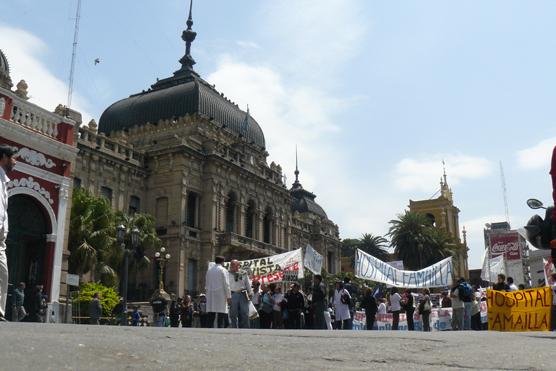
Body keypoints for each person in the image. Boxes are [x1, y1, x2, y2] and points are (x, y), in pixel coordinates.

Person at [0, 145, 16, 322]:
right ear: (4, 157)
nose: (15, 161)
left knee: (3, 274)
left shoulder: (4, 180)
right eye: (13, 157)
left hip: (1, 237)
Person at [205, 256, 231, 328]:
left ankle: (209, 328)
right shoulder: (223, 270)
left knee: (211, 313)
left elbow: (206, 283)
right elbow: (226, 284)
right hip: (220, 294)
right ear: (222, 262)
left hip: (210, 294)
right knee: (221, 314)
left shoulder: (209, 270)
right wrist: (229, 296)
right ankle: (220, 328)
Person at [228, 259, 252, 329]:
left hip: (243, 294)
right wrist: (227, 296)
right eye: (231, 264)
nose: (232, 266)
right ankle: (234, 327)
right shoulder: (227, 273)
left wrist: (250, 292)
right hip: (232, 294)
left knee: (245, 312)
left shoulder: (243, 273)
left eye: (234, 264)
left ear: (238, 265)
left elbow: (247, 283)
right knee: (233, 313)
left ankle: (245, 328)